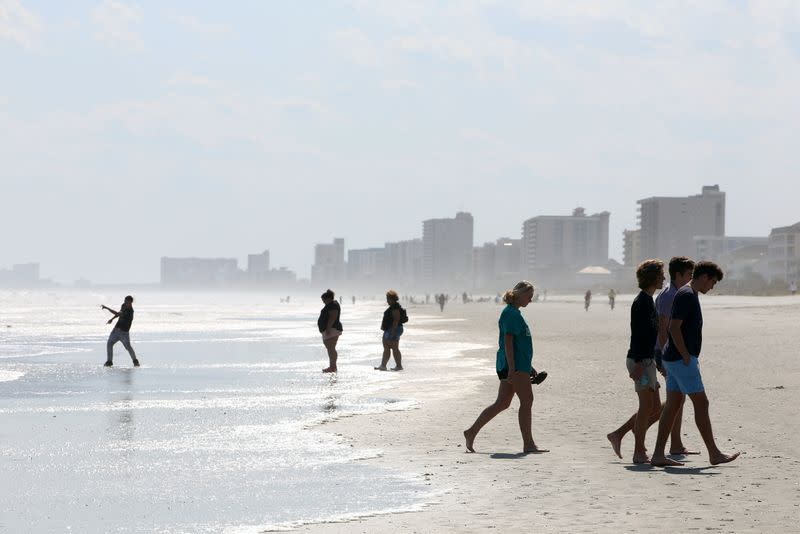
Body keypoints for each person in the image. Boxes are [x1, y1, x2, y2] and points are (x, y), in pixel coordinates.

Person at [650, 261, 740, 467]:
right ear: (705, 277)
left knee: (672, 406)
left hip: (672, 358)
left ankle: (657, 454)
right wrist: (686, 355)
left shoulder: (686, 293)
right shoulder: (687, 295)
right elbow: (673, 328)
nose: (712, 287)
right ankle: (714, 453)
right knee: (701, 403)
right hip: (680, 359)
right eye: (713, 282)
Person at [463, 281, 548, 454]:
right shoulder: (510, 314)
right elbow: (508, 342)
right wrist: (512, 368)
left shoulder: (514, 312)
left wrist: (528, 366)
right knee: (527, 401)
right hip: (513, 367)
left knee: (502, 403)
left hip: (516, 365)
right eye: (529, 296)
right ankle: (529, 444)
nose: (530, 300)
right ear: (520, 294)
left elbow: (518, 345)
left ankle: (471, 432)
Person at [606, 260, 665, 463]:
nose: (664, 278)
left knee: (656, 409)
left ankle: (619, 434)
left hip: (646, 359)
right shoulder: (641, 302)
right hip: (639, 360)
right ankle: (639, 452)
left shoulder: (648, 300)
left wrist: (654, 359)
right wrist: (640, 363)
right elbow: (638, 335)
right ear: (652, 277)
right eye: (661, 275)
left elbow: (650, 336)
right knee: (645, 407)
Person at [654, 256, 698, 456]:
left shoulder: (676, 293)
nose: (691, 278)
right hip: (667, 353)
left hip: (670, 353)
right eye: (689, 274)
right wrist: (665, 358)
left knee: (677, 400)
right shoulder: (669, 295)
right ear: (678, 274)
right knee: (674, 401)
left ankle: (676, 443)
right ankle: (628, 430)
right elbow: (663, 329)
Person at [102, 295, 139, 367]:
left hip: (124, 332)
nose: (124, 302)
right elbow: (119, 314)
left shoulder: (130, 311)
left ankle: (135, 361)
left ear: (130, 302)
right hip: (116, 329)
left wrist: (107, 308)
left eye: (126, 301)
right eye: (124, 301)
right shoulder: (124, 305)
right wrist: (112, 319)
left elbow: (117, 313)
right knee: (109, 343)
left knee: (128, 347)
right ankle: (109, 361)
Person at [375, 290, 405, 371]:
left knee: (388, 346)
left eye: (387, 298)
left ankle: (384, 365)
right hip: (394, 329)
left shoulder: (395, 307)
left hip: (393, 329)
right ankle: (396, 365)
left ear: (391, 299)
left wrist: (392, 331)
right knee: (393, 347)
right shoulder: (395, 306)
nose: (387, 300)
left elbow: (396, 319)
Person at [318, 289, 343, 373]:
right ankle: (332, 366)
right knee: (331, 348)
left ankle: (333, 367)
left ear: (328, 298)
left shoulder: (333, 305)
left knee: (331, 348)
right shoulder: (332, 304)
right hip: (331, 329)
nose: (323, 302)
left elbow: (333, 317)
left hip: (332, 329)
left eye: (323, 300)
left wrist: (328, 328)